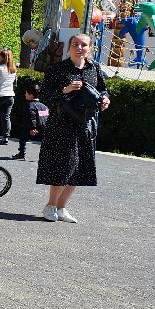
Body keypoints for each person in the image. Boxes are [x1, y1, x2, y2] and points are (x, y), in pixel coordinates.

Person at [37, 31, 108, 224]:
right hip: (61, 124)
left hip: (85, 125)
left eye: (84, 45)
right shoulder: (58, 69)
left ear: (90, 48)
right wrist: (65, 90)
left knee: (80, 168)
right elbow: (44, 95)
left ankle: (62, 208)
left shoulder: (94, 68)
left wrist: (105, 99)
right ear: (69, 47)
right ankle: (50, 206)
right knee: (63, 166)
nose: (79, 48)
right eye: (75, 44)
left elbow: (103, 89)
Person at [0, 48, 17, 145]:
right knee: (6, 117)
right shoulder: (13, 69)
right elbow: (15, 85)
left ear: (2, 57)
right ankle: (6, 137)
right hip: (10, 96)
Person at [12, 84, 47, 161]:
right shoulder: (43, 106)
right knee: (45, 141)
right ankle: (46, 156)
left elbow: (32, 117)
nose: (25, 95)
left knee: (23, 139)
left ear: (31, 95)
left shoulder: (29, 105)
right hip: (44, 127)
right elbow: (45, 117)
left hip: (30, 127)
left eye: (26, 93)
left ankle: (21, 153)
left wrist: (33, 128)